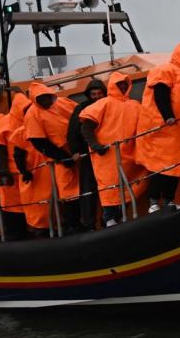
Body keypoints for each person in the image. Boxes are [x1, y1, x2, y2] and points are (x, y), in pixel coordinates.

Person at [136, 43, 180, 212]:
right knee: (159, 167)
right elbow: (160, 92)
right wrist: (168, 116)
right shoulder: (165, 69)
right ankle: (154, 201)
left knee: (175, 167)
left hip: (178, 132)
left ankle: (169, 200)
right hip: (163, 130)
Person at [79, 71, 145, 227]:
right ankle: (108, 219)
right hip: (107, 156)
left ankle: (121, 216)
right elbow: (86, 128)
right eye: (119, 85)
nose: (122, 87)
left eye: (124, 85)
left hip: (130, 156)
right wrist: (95, 146)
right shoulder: (103, 103)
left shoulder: (135, 105)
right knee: (109, 187)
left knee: (133, 185)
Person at [24, 82, 81, 232]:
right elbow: (38, 142)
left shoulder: (63, 102)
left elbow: (81, 114)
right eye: (40, 98)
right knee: (68, 192)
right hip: (61, 159)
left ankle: (91, 220)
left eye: (46, 96)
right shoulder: (32, 114)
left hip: (80, 151)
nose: (45, 100)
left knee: (87, 185)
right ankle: (74, 225)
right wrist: (63, 158)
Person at [0, 92, 33, 240]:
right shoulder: (4, 123)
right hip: (12, 174)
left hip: (28, 172)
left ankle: (30, 232)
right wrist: (4, 171)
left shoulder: (29, 121)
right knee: (13, 208)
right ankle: (14, 236)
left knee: (32, 205)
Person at [67, 79, 107, 231]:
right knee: (88, 189)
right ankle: (89, 223)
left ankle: (109, 218)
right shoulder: (82, 108)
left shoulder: (109, 103)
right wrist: (75, 150)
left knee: (110, 187)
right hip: (88, 155)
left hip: (106, 153)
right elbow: (73, 131)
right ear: (89, 95)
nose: (96, 97)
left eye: (99, 93)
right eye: (93, 94)